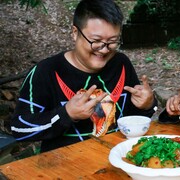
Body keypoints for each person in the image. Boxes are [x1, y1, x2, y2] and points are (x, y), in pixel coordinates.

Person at [11, 0, 157, 152]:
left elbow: (132, 120)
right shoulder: (46, 71)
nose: (104, 49)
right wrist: (66, 114)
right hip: (65, 169)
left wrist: (148, 105)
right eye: (96, 41)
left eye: (112, 41)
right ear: (75, 33)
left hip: (117, 159)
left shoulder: (121, 64)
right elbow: (19, 129)